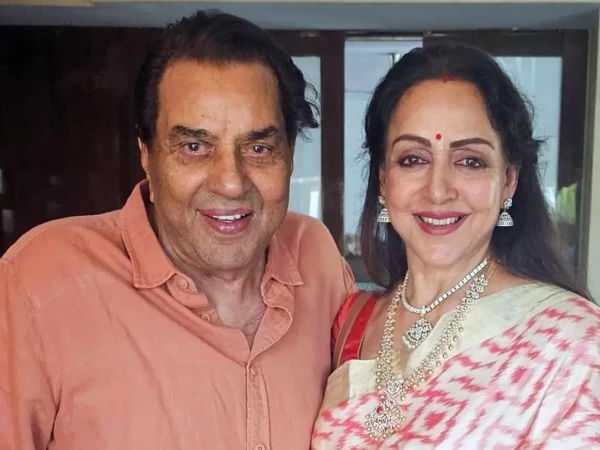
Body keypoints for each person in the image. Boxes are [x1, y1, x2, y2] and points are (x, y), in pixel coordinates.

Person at [0, 10, 356, 450]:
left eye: (259, 147)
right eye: (194, 146)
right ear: (146, 154)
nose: (231, 182)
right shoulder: (40, 282)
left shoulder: (316, 258)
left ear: (289, 154)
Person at [312, 44, 600, 449]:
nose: (438, 191)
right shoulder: (351, 323)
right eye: (413, 159)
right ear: (382, 181)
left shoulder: (572, 342)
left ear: (509, 181)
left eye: (470, 161)